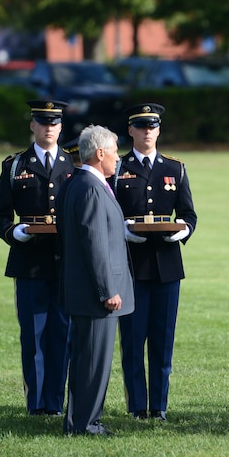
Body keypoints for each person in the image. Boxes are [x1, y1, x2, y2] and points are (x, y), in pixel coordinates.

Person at [112, 103, 196, 421]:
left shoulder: (175, 169)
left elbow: (188, 213)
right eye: (141, 126)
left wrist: (184, 230)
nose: (148, 132)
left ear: (159, 130)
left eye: (153, 126)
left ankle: (158, 406)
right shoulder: (118, 169)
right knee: (133, 341)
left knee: (162, 341)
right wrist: (121, 231)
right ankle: (137, 406)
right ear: (131, 130)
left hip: (167, 265)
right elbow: (110, 212)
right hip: (132, 265)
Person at [0, 99, 74, 416]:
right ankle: (36, 403)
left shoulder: (74, 164)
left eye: (54, 123)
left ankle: (54, 402)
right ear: (32, 126)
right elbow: (0, 218)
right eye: (43, 122)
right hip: (28, 264)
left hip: (65, 264)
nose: (49, 128)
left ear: (61, 127)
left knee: (61, 334)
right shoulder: (14, 166)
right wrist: (16, 234)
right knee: (34, 335)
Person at [59, 124, 134, 436]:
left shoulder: (81, 184)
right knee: (92, 362)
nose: (118, 158)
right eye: (115, 151)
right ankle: (85, 424)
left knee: (87, 361)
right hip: (96, 294)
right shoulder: (90, 187)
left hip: (87, 291)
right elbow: (95, 244)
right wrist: (107, 290)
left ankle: (83, 420)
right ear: (100, 153)